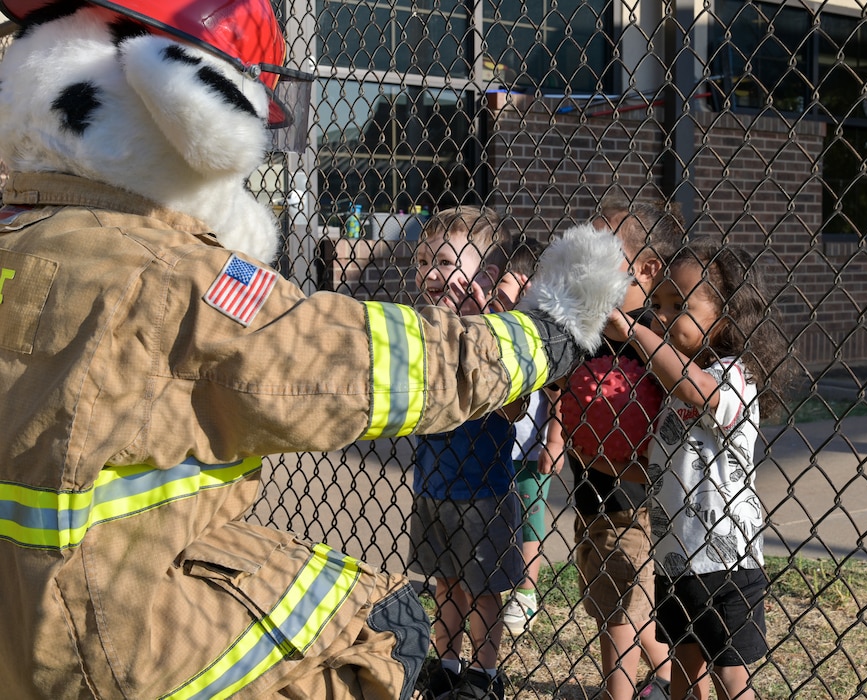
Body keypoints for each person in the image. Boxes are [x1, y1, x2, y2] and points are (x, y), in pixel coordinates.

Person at [0, 3, 632, 697]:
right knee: (389, 623)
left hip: (19, 615)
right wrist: (545, 332)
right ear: (188, 105)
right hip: (105, 638)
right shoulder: (173, 273)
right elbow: (359, 365)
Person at [603, 238, 795, 700]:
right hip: (675, 556)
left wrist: (635, 332)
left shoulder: (732, 374)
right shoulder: (673, 383)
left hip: (726, 557)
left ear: (724, 318)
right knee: (685, 670)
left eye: (679, 306)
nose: (663, 317)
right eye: (659, 304)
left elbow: (702, 392)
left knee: (732, 676)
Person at [554, 200, 683, 700]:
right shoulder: (590, 329)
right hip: (590, 497)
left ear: (645, 269)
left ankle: (618, 695)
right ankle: (670, 680)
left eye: (602, 256)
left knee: (618, 612)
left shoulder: (651, 334)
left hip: (632, 505)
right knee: (620, 606)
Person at [409, 207, 528, 700]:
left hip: (483, 491)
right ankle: (449, 665)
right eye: (420, 262)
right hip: (433, 485)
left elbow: (516, 408)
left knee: (481, 590)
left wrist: (482, 331)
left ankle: (483, 676)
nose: (429, 273)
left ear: (485, 276)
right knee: (445, 583)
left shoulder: (497, 329)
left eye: (442, 260)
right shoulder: (421, 327)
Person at [482, 237, 563, 638]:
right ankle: (500, 578)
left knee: (529, 518)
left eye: (510, 283)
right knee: (500, 515)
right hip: (492, 445)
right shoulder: (492, 324)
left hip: (530, 449)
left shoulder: (544, 332)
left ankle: (526, 591)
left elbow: (560, 394)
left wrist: (555, 439)